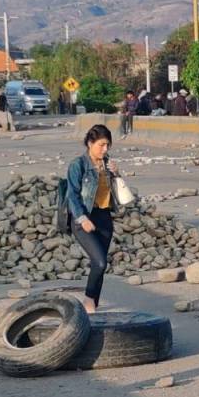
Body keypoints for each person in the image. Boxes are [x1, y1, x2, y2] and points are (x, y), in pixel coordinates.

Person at [65, 125, 121, 314]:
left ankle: (92, 306)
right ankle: (89, 300)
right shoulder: (78, 165)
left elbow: (116, 192)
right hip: (84, 219)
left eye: (108, 145)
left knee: (101, 263)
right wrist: (82, 218)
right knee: (99, 262)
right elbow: (72, 195)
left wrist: (116, 174)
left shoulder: (107, 164)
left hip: (104, 217)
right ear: (90, 143)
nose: (105, 149)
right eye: (101, 145)